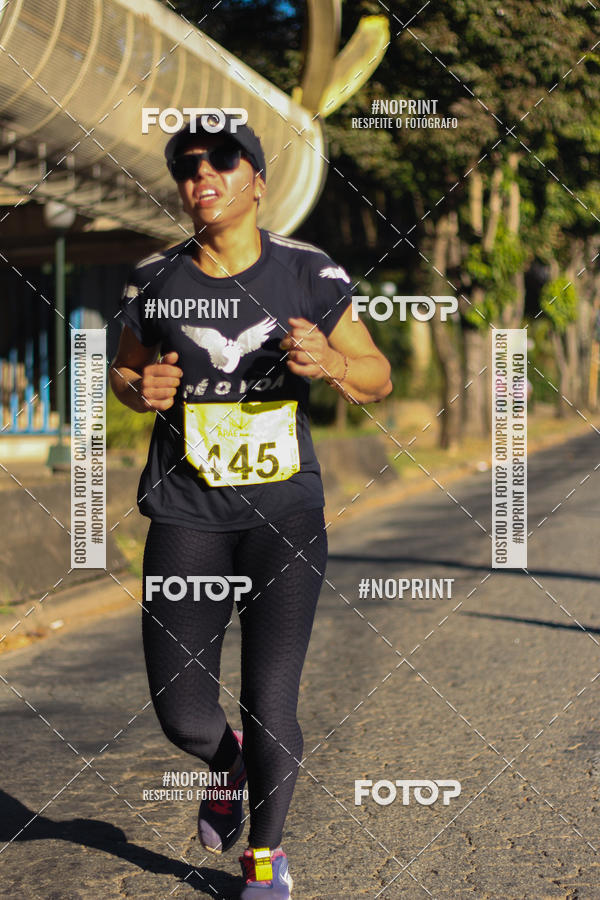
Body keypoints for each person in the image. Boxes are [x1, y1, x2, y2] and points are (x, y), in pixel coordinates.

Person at [109, 114, 392, 898]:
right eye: (187, 166)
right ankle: (226, 766)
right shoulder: (154, 278)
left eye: (223, 162)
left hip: (284, 519)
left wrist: (333, 361)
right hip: (186, 514)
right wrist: (141, 390)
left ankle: (264, 858)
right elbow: (125, 374)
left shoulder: (309, 274)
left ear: (258, 182)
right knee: (183, 716)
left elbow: (379, 375)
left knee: (273, 703)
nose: (202, 176)